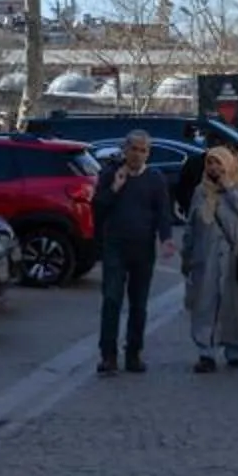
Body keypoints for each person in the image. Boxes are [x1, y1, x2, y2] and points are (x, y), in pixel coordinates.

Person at [92, 130, 177, 375]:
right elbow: (97, 208)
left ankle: (133, 353)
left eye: (143, 150)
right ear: (125, 149)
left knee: (139, 304)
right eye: (134, 149)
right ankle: (108, 355)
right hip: (115, 246)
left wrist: (166, 238)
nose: (138, 154)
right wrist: (114, 188)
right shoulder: (111, 174)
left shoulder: (155, 178)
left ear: (148, 153)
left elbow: (163, 212)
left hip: (142, 247)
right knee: (111, 300)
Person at [181, 144, 238, 372]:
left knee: (235, 305)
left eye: (219, 162)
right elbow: (191, 226)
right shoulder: (201, 191)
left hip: (235, 258)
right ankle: (205, 352)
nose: (214, 167)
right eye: (210, 162)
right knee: (204, 304)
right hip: (206, 257)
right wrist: (186, 255)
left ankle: (234, 348)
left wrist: (229, 188)